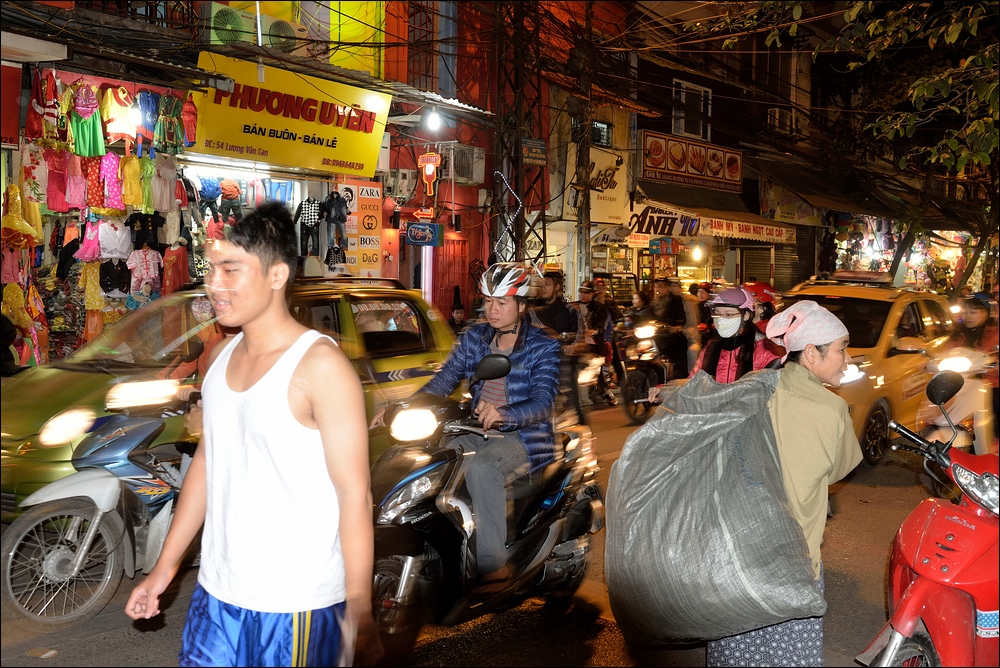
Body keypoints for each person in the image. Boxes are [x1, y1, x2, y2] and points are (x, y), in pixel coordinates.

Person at [125, 202, 381, 667]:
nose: (214, 285)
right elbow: (208, 464)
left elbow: (354, 496)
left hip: (297, 603)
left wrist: (359, 606)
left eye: (231, 270)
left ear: (277, 275)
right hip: (217, 593)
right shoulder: (222, 358)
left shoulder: (321, 367)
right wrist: (163, 569)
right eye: (212, 269)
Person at [705, 299, 862, 666]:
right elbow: (840, 469)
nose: (848, 358)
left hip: (738, 554)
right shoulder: (831, 409)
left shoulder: (752, 386)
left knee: (736, 654)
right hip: (793, 563)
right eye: (841, 349)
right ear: (811, 353)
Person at [416, 263, 561, 592]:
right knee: (427, 462)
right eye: (488, 301)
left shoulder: (543, 344)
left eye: (503, 302)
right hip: (474, 429)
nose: (492, 310)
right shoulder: (474, 336)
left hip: (522, 436)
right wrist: (402, 406)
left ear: (522, 306)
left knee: (482, 470)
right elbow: (445, 378)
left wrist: (504, 414)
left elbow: (543, 402)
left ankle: (494, 565)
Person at [950, 291, 998, 437]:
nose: (968, 316)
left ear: (987, 313)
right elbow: (946, 351)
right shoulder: (958, 334)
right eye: (965, 312)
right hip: (961, 385)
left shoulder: (995, 334)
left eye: (974, 312)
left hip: (990, 385)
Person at [574, 280, 616, 405]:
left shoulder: (599, 307)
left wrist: (596, 330)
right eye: (581, 292)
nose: (583, 295)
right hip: (576, 343)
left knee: (598, 367)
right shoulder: (572, 307)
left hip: (594, 344)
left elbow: (602, 324)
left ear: (592, 293)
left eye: (586, 293)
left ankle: (605, 389)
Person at [593, 276, 625, 386]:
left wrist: (606, 303)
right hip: (597, 335)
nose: (600, 290)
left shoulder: (609, 301)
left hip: (609, 334)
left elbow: (617, 315)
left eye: (602, 287)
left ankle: (621, 382)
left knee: (615, 359)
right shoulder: (592, 302)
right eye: (597, 287)